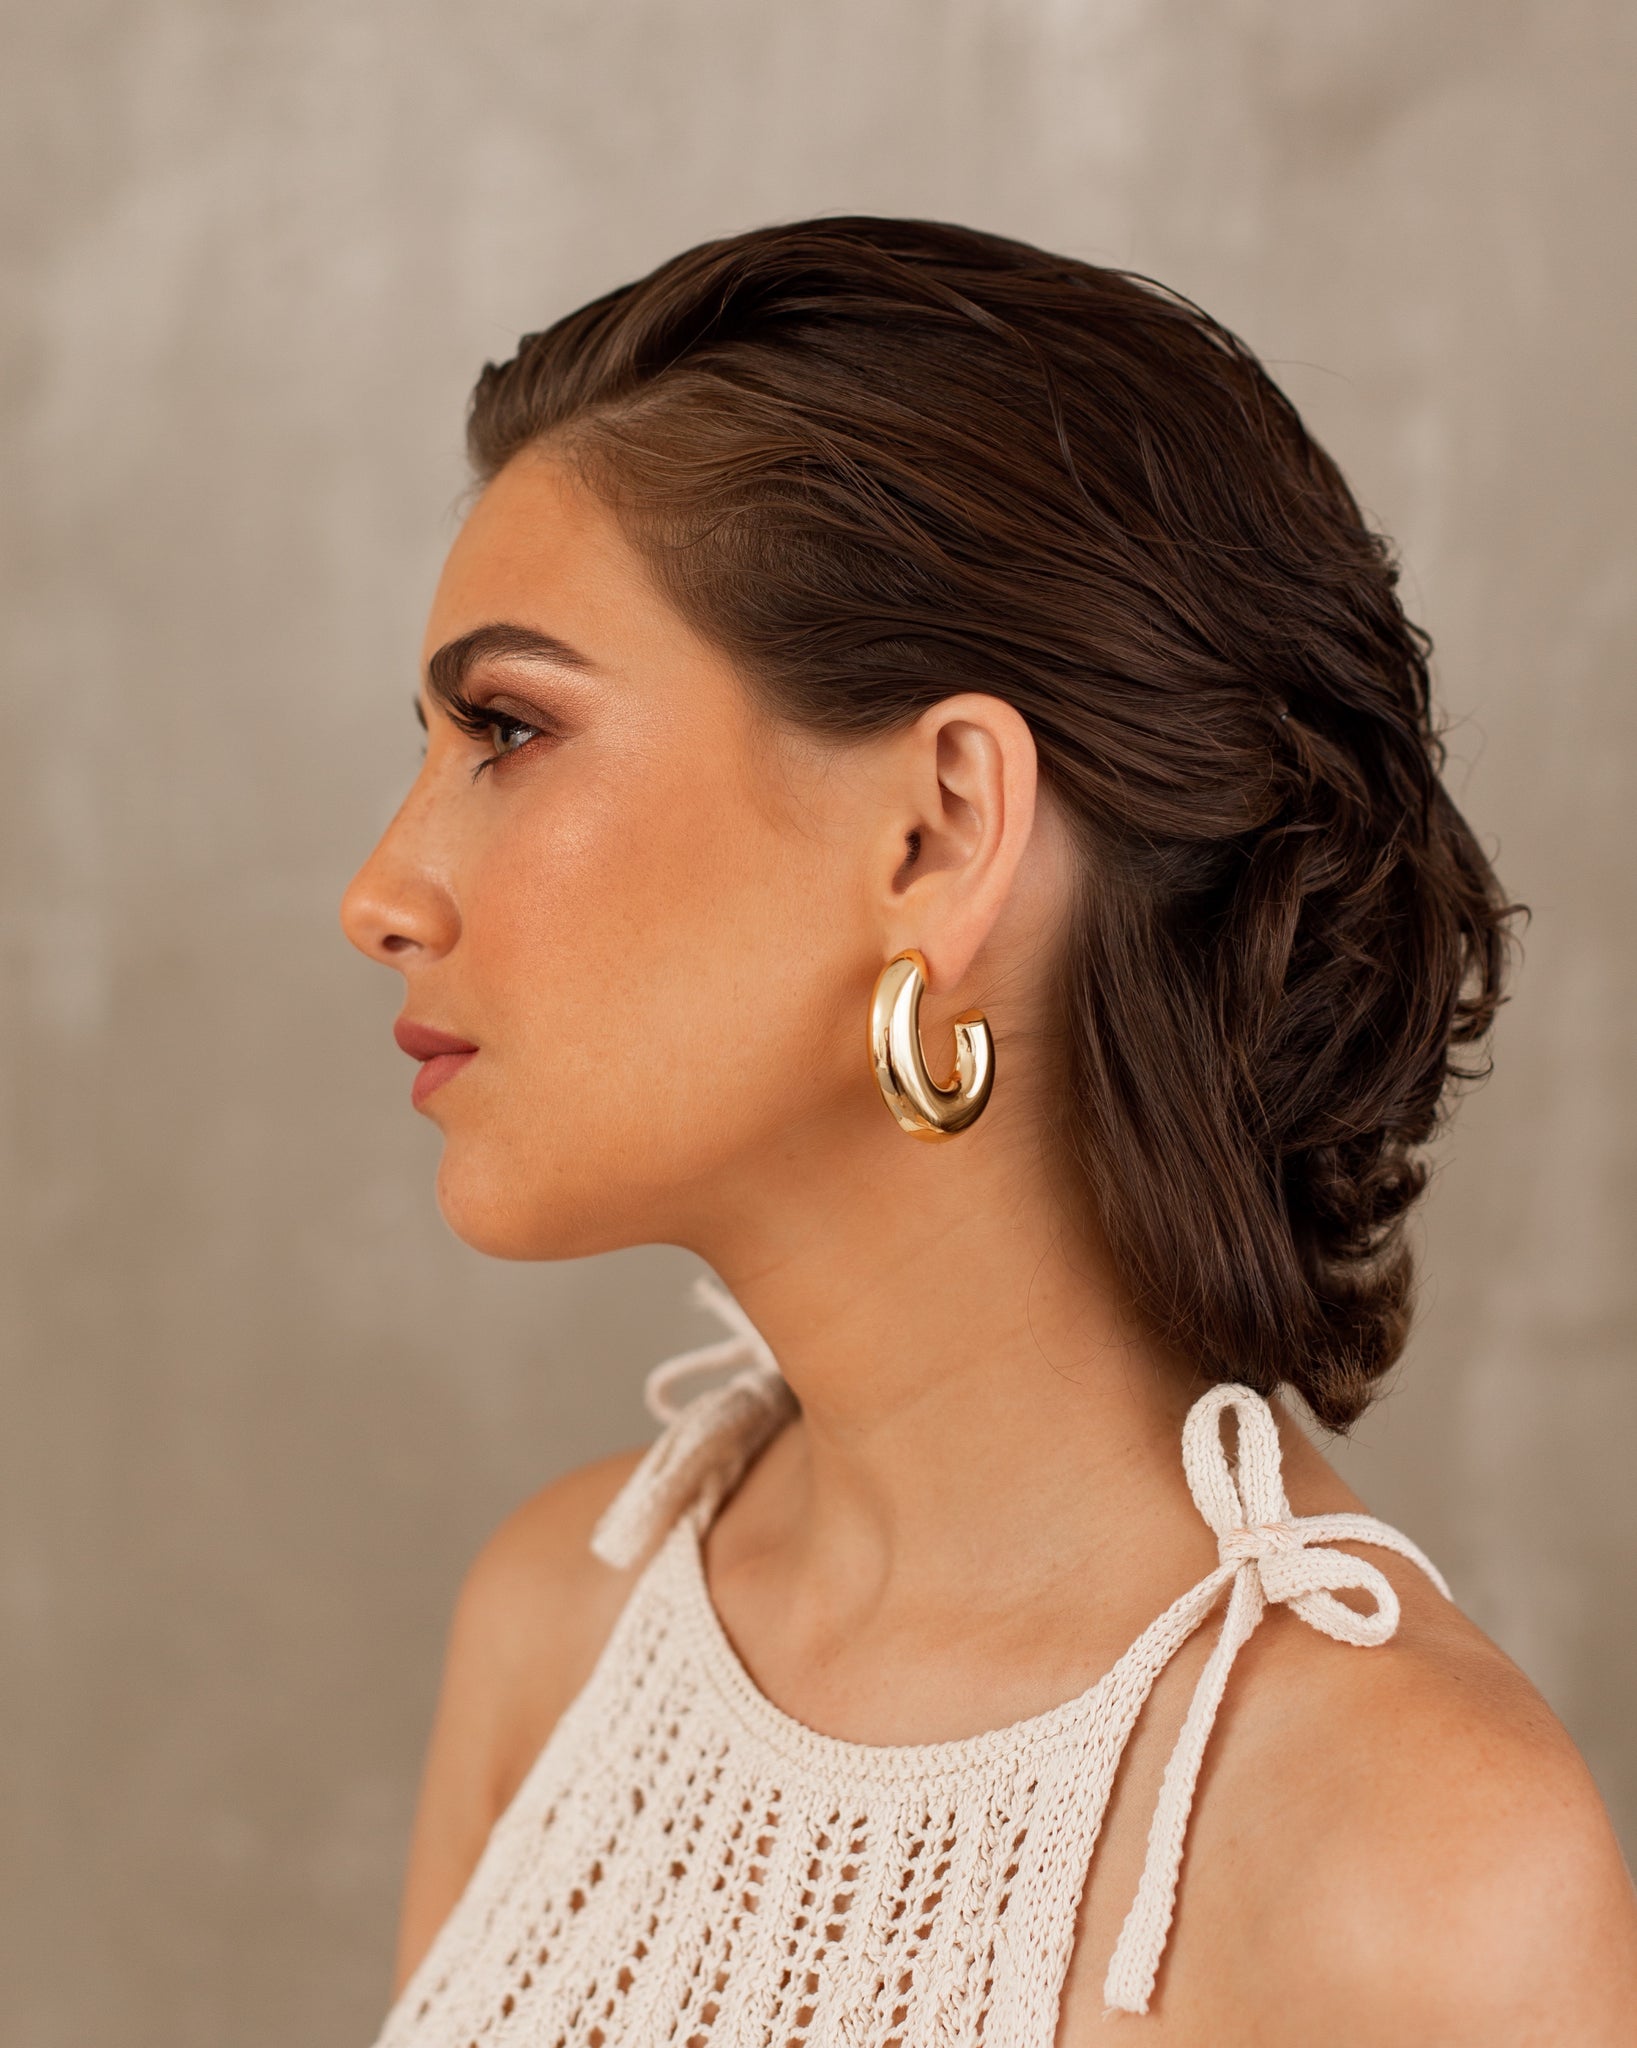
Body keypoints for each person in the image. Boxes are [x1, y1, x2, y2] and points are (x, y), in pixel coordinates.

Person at [339, 216, 1637, 2044]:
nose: (381, 894)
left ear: (938, 829)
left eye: (506, 729)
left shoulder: (1406, 1863)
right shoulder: (563, 1623)